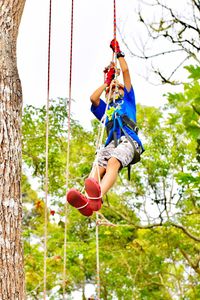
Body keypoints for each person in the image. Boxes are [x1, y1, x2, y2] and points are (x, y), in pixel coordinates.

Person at [67, 39, 144, 216]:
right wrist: (106, 82)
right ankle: (88, 201)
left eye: (117, 87)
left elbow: (125, 71)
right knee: (98, 164)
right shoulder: (106, 109)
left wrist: (119, 53)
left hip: (129, 140)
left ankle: (98, 196)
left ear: (124, 91)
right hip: (112, 143)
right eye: (111, 89)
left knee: (113, 162)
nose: (113, 90)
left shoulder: (128, 100)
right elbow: (93, 98)